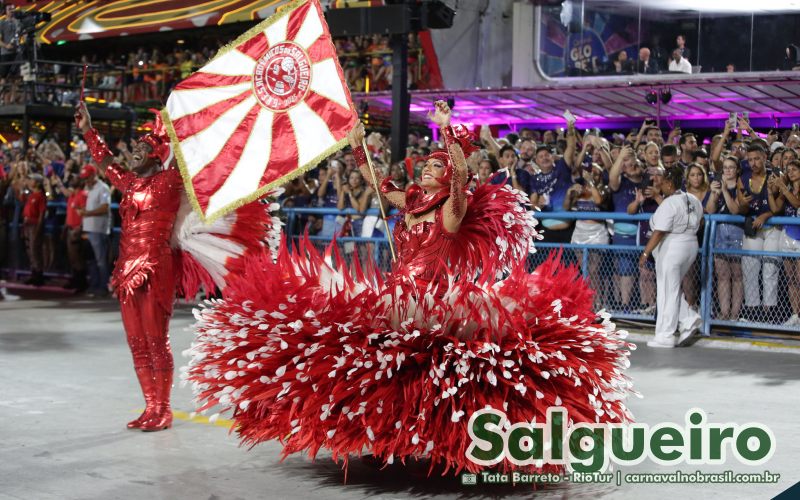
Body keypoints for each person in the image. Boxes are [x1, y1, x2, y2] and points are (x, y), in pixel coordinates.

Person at [185, 103, 634, 474]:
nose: (425, 170)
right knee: (371, 366)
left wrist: (449, 135)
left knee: (422, 372)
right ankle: (377, 433)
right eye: (427, 165)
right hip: (395, 294)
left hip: (431, 302)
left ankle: (440, 440)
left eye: (434, 166)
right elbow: (377, 184)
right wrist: (357, 144)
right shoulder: (411, 204)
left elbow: (461, 177)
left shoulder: (451, 212)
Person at [640, 166, 703, 348]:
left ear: (669, 183)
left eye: (662, 181)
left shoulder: (670, 203)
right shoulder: (693, 199)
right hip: (691, 245)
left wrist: (646, 252)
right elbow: (701, 222)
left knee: (667, 290)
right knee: (672, 288)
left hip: (673, 247)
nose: (660, 184)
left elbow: (659, 231)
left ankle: (665, 335)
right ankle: (689, 318)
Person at [738, 144, 780, 322]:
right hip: (752, 228)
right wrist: (744, 203)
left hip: (772, 227)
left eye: (757, 159)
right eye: (750, 160)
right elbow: (741, 209)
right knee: (750, 269)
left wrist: (766, 215)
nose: (753, 163)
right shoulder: (743, 178)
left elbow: (780, 206)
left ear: (764, 158)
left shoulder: (775, 176)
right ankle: (752, 310)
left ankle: (770, 312)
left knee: (770, 269)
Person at [706, 157, 743, 321]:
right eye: (725, 168)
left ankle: (735, 314)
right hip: (719, 232)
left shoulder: (741, 186)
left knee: (737, 276)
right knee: (722, 276)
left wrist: (726, 191)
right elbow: (709, 210)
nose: (727, 171)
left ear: (737, 170)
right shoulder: (717, 186)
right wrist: (714, 194)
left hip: (737, 232)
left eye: (731, 168)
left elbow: (735, 210)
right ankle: (724, 312)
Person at [771, 160, 800, 325]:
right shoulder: (786, 190)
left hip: (799, 238)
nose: (791, 172)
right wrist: (770, 191)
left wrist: (783, 187)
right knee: (791, 279)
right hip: (787, 235)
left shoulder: (788, 189)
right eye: (788, 170)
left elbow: (797, 203)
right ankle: (795, 315)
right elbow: (775, 209)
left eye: (795, 169)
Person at [78, 164, 111, 297]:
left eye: (87, 177)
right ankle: (94, 285)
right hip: (87, 228)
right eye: (84, 178)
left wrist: (88, 213)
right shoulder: (88, 188)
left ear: (93, 175)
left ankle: (103, 287)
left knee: (100, 260)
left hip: (98, 229)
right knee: (90, 260)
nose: (86, 181)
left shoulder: (103, 188)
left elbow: (105, 207)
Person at [20, 173, 46, 286]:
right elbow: (21, 199)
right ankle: (33, 273)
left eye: (32, 180)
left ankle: (39, 275)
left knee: (35, 250)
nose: (30, 182)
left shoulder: (40, 196)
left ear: (38, 183)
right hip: (27, 224)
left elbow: (41, 214)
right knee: (30, 250)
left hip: (34, 225)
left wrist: (38, 229)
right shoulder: (31, 195)